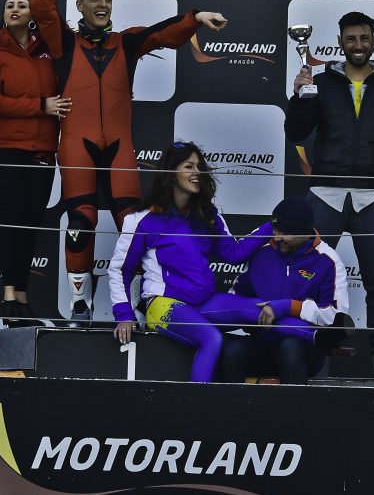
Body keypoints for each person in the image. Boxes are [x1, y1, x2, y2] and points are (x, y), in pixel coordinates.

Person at [29, 0, 231, 325]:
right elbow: (39, 4)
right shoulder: (64, 43)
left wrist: (194, 19)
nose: (103, 5)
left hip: (119, 145)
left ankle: (144, 299)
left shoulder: (126, 42)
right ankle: (80, 305)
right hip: (77, 143)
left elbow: (164, 34)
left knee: (134, 223)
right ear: (80, 5)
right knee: (81, 222)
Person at [284, 11, 374, 380]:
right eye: (351, 39)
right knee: (309, 276)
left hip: (373, 196)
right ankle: (307, 353)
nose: (358, 45)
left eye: (364, 38)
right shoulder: (321, 83)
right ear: (340, 43)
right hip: (325, 193)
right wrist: (299, 97)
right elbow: (296, 132)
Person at [107, 142, 278, 383]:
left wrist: (273, 226)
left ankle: (317, 339)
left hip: (203, 302)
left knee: (265, 311)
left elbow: (233, 253)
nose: (197, 172)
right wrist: (123, 315)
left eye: (199, 166)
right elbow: (119, 270)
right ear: (171, 173)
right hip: (163, 305)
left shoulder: (207, 215)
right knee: (212, 338)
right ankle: (197, 403)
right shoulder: (143, 219)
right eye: (189, 166)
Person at [0, 0, 68, 326]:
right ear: (3, 15)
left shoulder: (50, 51)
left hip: (43, 149)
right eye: (9, 5)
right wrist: (41, 106)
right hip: (7, 148)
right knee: (12, 218)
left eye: (22, 5)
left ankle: (23, 298)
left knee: (30, 225)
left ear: (33, 14)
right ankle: (8, 296)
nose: (15, 8)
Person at [218, 197, 353, 385]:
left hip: (305, 347)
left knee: (289, 347)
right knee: (233, 351)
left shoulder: (328, 260)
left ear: (305, 232)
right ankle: (236, 404)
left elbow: (335, 317)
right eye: (275, 230)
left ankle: (294, 404)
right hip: (264, 343)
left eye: (285, 232)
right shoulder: (262, 252)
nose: (277, 237)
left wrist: (289, 307)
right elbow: (236, 296)